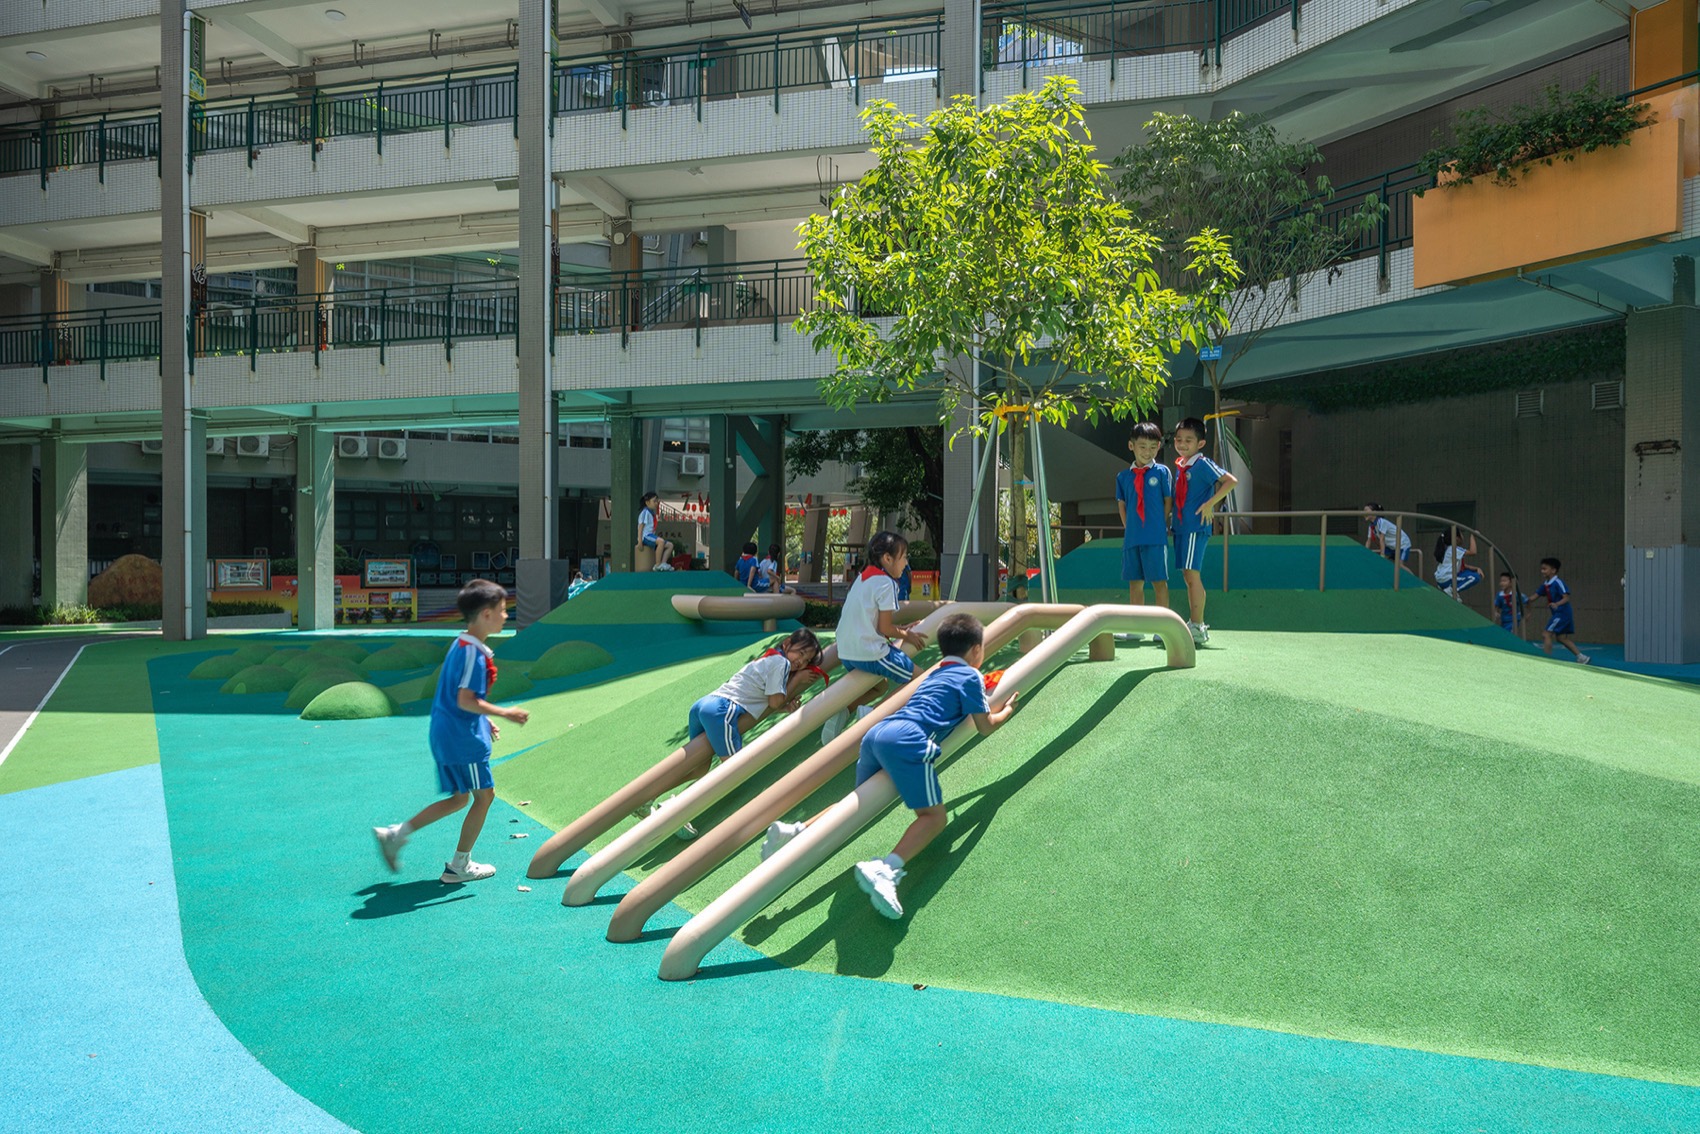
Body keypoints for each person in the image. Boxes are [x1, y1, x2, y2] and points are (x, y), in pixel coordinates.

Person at [848, 612, 1019, 919]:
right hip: (908, 739)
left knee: (857, 803)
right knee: (934, 818)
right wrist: (1006, 711)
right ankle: (887, 868)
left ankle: (796, 831)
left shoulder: (936, 673)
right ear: (977, 650)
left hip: (878, 733)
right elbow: (985, 726)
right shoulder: (970, 676)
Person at [372, 579, 531, 883]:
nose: (505, 616)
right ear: (485, 614)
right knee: (484, 797)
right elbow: (465, 699)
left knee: (460, 798)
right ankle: (460, 865)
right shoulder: (474, 654)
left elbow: (460, 697)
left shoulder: (462, 644)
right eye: (501, 610)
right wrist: (504, 712)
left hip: (447, 732)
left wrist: (484, 718)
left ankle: (396, 834)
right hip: (462, 740)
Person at [641, 628, 825, 839]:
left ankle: (650, 798)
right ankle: (675, 810)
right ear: (786, 644)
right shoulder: (781, 663)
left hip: (704, 705)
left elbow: (761, 697)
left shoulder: (767, 659)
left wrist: (784, 706)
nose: (801, 661)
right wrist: (798, 680)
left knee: (699, 768)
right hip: (722, 710)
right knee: (734, 771)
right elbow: (774, 700)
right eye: (800, 653)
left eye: (806, 659)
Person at [819, 530, 925, 745]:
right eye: (904, 557)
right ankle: (873, 715)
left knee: (880, 686)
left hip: (847, 652)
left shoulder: (863, 578)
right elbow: (885, 628)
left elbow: (871, 620)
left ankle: (843, 712)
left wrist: (901, 628)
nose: (905, 563)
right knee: (921, 679)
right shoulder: (887, 584)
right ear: (887, 558)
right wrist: (907, 635)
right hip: (870, 653)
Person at [1170, 417, 1238, 646]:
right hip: (1181, 527)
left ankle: (1198, 625)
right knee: (1188, 576)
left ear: (1200, 443)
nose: (1182, 443)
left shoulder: (1202, 464)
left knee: (1192, 576)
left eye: (1189, 440)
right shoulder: (1181, 465)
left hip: (1194, 527)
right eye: (1179, 439)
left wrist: (1211, 504)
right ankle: (1195, 623)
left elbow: (1230, 481)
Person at [1115, 422, 1173, 636]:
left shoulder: (1162, 472)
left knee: (1159, 582)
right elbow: (1122, 504)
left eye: (1152, 447)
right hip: (1132, 538)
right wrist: (1128, 527)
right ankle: (1136, 628)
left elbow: (1168, 501)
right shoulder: (1123, 477)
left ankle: (1162, 628)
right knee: (1135, 583)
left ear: (1158, 447)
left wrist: (1160, 523)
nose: (1147, 451)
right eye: (1142, 446)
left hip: (1155, 537)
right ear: (1131, 446)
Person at [1529, 557, 1589, 664]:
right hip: (1558, 613)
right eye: (1541, 569)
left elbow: (1566, 597)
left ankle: (1546, 660)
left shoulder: (1558, 582)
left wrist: (1556, 604)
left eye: (1544, 569)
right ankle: (1582, 657)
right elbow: (1535, 596)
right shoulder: (1546, 584)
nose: (1542, 571)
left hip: (1562, 613)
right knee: (1561, 638)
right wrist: (1523, 600)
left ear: (1553, 570)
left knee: (1546, 634)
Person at [1433, 530, 1484, 599]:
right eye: (1461, 534)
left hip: (1442, 579)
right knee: (1475, 577)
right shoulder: (1454, 549)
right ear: (1456, 538)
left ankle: (1450, 589)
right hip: (1446, 579)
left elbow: (1463, 566)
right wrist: (1472, 536)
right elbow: (1473, 552)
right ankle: (1452, 590)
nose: (1463, 537)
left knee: (1468, 572)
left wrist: (1476, 568)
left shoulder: (1447, 548)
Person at [639, 491, 675, 571]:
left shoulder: (651, 513)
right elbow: (641, 527)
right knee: (661, 541)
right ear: (647, 502)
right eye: (654, 501)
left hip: (651, 536)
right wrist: (640, 541)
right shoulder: (645, 512)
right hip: (646, 536)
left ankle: (663, 563)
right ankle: (657, 564)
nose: (656, 503)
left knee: (670, 545)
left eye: (657, 501)